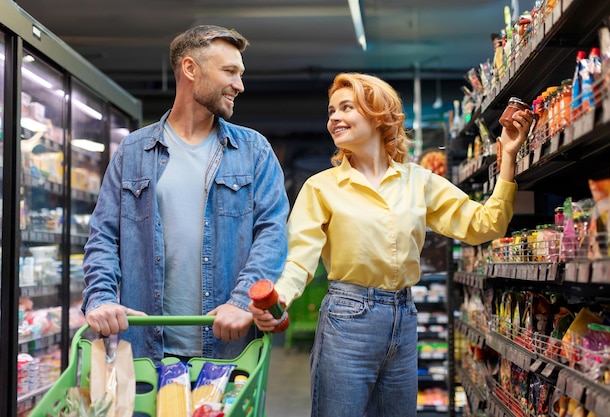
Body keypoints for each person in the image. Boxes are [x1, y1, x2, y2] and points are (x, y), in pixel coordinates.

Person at [249, 72, 533, 416]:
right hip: (347, 319)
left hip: (404, 317)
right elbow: (299, 258)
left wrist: (508, 158)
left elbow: (484, 225)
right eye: (331, 111)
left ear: (378, 115)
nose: (334, 117)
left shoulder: (419, 181)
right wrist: (280, 297)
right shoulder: (321, 187)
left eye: (346, 108)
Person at [81, 25, 289, 362]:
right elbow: (103, 236)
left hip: (228, 350)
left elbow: (273, 234)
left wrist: (240, 302)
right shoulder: (133, 151)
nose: (240, 85)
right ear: (190, 68)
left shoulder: (253, 150)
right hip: (145, 352)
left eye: (241, 73)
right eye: (230, 72)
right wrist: (101, 298)